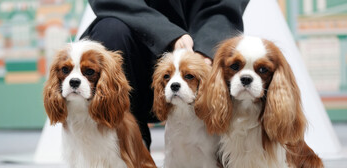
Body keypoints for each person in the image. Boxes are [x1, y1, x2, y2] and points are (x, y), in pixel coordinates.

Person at [81, 0, 250, 150]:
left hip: (201, 45)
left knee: (234, 54)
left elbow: (224, 6)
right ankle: (127, 149)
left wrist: (205, 51)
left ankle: (220, 156)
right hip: (134, 49)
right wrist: (170, 36)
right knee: (110, 31)